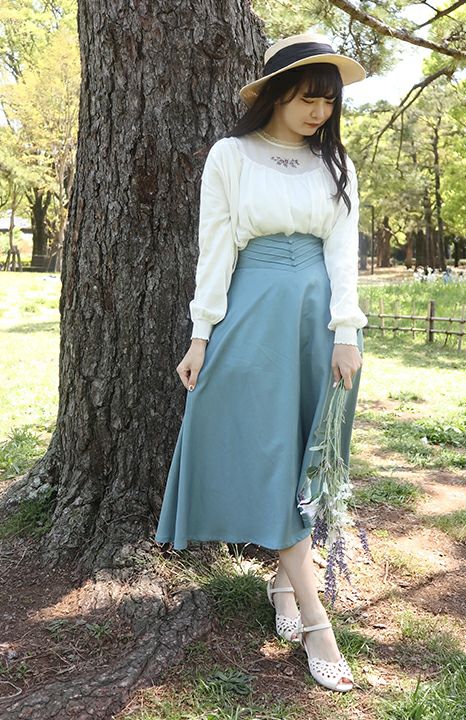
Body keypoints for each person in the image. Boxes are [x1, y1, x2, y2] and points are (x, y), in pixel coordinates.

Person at [154, 32, 368, 692]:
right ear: (276, 95)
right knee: (270, 453)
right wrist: (200, 335)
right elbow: (215, 248)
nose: (319, 113)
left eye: (328, 103)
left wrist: (346, 332)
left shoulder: (336, 164)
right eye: (308, 99)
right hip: (253, 313)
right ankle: (316, 620)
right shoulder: (231, 155)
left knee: (308, 455)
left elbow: (343, 252)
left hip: (319, 319)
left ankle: (283, 583)